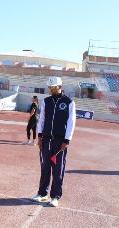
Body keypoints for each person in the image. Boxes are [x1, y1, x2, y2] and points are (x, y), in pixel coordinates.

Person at [30, 77, 76, 207]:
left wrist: (67, 140)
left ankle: (55, 196)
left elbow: (71, 122)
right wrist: (39, 136)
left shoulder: (69, 102)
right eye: (50, 87)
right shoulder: (46, 101)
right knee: (45, 168)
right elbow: (42, 119)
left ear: (59, 86)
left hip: (59, 142)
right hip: (46, 141)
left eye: (53, 87)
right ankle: (42, 194)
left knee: (58, 170)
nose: (50, 89)